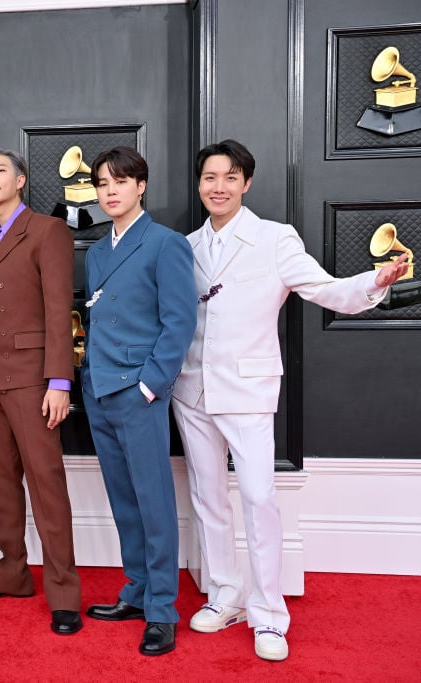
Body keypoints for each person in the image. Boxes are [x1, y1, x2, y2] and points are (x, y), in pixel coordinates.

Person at [171, 139, 409, 662]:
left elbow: (327, 290)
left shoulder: (275, 239)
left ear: (246, 183)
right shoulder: (185, 247)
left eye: (230, 177)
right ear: (199, 183)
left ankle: (269, 615)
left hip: (249, 389)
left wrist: (377, 280)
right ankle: (225, 594)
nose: (219, 186)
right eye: (210, 177)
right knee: (208, 498)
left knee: (258, 498)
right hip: (191, 389)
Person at [0, 146, 82, 635]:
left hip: (34, 381)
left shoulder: (48, 232)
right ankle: (11, 571)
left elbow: (58, 310)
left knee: (47, 486)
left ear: (21, 179)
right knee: (1, 484)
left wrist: (59, 381)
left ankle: (64, 592)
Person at [79, 146, 197, 656]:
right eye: (103, 183)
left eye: (120, 182)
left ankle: (163, 609)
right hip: (99, 386)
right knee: (124, 498)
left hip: (137, 389)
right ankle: (136, 589)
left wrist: (151, 384)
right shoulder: (96, 251)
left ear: (141, 186)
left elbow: (180, 322)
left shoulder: (165, 243)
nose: (110, 191)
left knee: (153, 500)